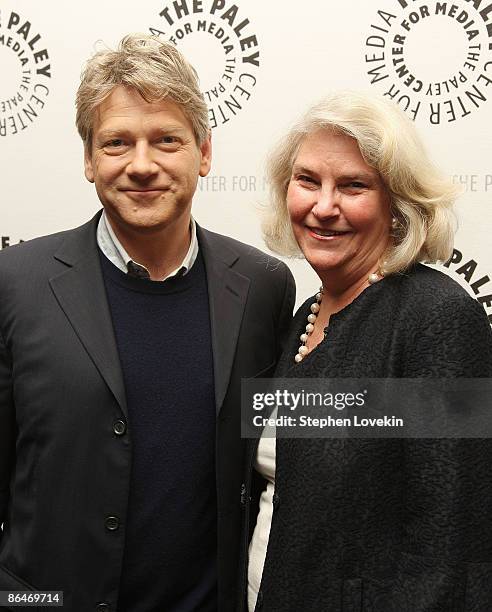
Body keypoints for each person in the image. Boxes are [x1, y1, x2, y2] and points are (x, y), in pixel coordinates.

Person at [0, 34, 295, 612]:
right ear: (88, 158)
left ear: (204, 153)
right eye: (116, 142)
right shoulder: (15, 283)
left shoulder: (263, 286)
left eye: (167, 140)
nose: (142, 165)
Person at [241, 92, 492, 611]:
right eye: (308, 180)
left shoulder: (435, 318)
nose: (323, 206)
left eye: (353, 186)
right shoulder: (301, 319)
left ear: (396, 205)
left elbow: (449, 548)